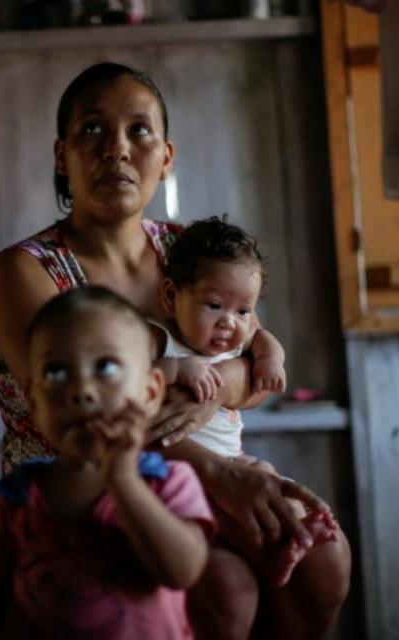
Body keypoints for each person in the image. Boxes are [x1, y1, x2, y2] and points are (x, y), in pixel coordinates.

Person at [0, 61, 351, 638]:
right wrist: (219, 470)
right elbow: (81, 411)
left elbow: (253, 367)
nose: (117, 150)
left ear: (167, 156)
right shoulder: (25, 272)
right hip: (87, 489)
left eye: (139, 131)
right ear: (61, 156)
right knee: (227, 593)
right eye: (93, 130)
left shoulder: (185, 250)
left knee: (325, 564)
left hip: (199, 474)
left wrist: (213, 396)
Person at [0, 286, 215, 639]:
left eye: (106, 366)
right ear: (34, 401)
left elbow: (183, 571)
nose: (81, 389)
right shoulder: (19, 494)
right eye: (56, 372)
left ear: (150, 392)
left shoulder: (167, 480)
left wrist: (123, 481)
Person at [155, 215, 340, 589]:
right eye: (214, 305)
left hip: (232, 457)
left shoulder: (238, 341)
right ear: (173, 296)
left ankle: (298, 534)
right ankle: (277, 546)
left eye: (242, 310)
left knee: (264, 472)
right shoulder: (161, 340)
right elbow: (136, 378)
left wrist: (272, 360)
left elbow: (262, 339)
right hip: (180, 470)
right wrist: (177, 370)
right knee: (239, 513)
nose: (229, 323)